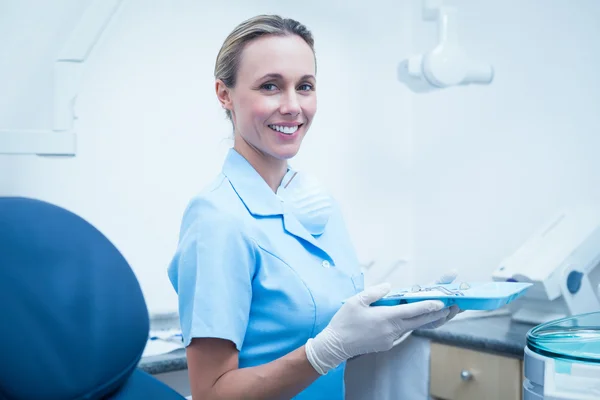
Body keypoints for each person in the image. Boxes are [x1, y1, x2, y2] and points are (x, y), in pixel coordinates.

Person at [167, 14, 460, 400]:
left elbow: (333, 322)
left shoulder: (317, 206)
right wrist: (327, 350)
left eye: (304, 87)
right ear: (225, 94)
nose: (292, 106)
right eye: (270, 86)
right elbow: (210, 393)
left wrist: (399, 316)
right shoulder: (217, 220)